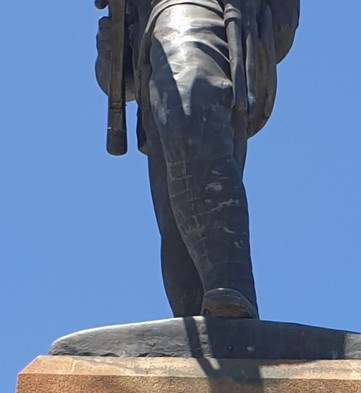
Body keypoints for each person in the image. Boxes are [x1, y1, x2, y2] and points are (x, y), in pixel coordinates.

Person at [96, 0, 299, 319]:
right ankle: (206, 325)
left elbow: (281, 28)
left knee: (190, 111)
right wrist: (111, 53)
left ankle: (231, 293)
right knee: (176, 224)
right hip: (152, 55)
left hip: (201, 12)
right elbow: (124, 81)